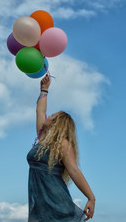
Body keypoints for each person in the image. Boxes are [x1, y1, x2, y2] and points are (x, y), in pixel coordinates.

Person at [27, 74, 95, 222]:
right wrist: (44, 90)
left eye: (51, 116)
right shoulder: (42, 136)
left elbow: (74, 170)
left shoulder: (62, 144)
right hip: (39, 204)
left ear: (56, 124)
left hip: (56, 202)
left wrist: (91, 197)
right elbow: (40, 112)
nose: (48, 117)